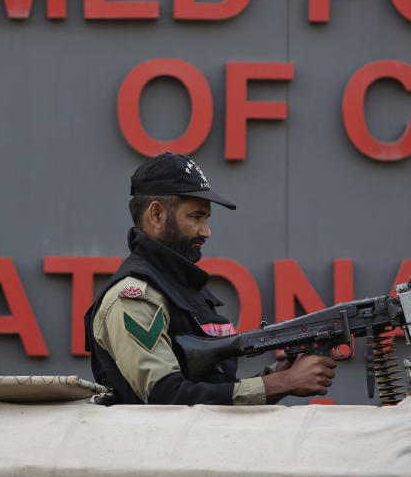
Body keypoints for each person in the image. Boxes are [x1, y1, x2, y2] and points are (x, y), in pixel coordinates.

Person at [84, 152, 337, 405]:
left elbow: (213, 392)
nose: (206, 231)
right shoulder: (134, 296)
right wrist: (283, 383)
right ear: (157, 215)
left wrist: (278, 375)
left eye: (206, 218)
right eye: (196, 217)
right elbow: (168, 397)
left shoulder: (187, 291)